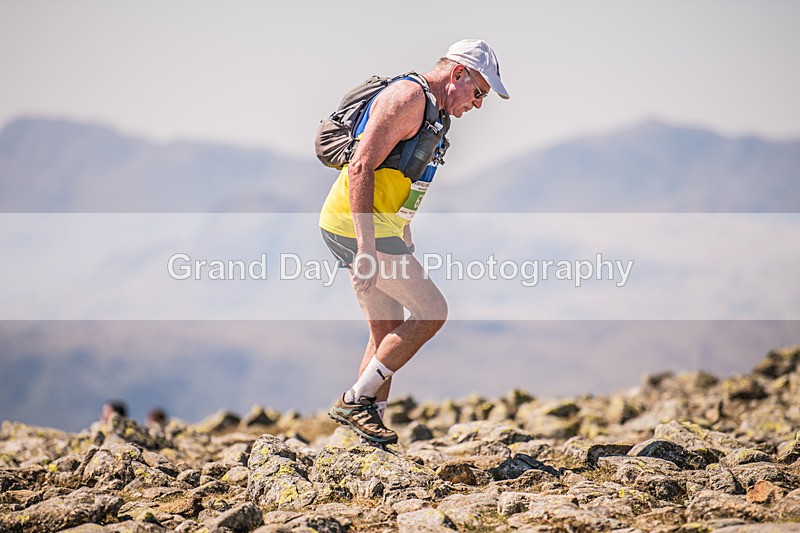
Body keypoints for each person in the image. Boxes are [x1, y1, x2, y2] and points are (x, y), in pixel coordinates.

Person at [320, 39, 510, 445]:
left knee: (385, 330)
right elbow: (360, 167)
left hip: (378, 228)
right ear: (457, 73)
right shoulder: (408, 97)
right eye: (479, 92)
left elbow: (402, 180)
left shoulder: (435, 114)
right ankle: (356, 401)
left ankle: (368, 436)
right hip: (356, 228)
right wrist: (368, 249)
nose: (478, 104)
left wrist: (402, 232)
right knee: (432, 311)